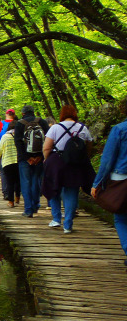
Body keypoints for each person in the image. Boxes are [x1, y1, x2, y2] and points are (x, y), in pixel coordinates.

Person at [42, 105, 95, 233]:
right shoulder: (83, 128)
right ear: (75, 114)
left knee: (53, 188)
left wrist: (46, 159)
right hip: (75, 164)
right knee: (72, 192)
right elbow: (89, 146)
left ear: (62, 115)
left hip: (56, 161)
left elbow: (47, 147)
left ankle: (56, 219)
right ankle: (68, 224)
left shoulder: (55, 127)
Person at [91, 97, 127, 265]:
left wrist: (97, 183)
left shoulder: (119, 129)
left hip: (121, 180)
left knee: (120, 217)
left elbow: (107, 161)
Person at [14, 105, 49, 218]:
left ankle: (28, 210)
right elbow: (48, 140)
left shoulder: (20, 123)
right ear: (33, 112)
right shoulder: (42, 122)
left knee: (25, 183)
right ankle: (35, 206)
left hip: (25, 160)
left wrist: (26, 158)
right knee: (36, 181)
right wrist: (41, 156)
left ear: (23, 113)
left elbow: (18, 143)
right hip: (39, 158)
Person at [0, 115, 21, 207]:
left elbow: (0, 149)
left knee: (10, 182)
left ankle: (11, 202)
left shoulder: (5, 136)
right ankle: (17, 197)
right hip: (18, 161)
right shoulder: (20, 135)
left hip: (7, 162)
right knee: (18, 181)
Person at [0, 109, 15, 198]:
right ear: (14, 115)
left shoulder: (0, 123)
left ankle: (6, 192)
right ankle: (16, 193)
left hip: (3, 149)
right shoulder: (18, 123)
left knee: (3, 172)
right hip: (16, 152)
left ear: (6, 114)